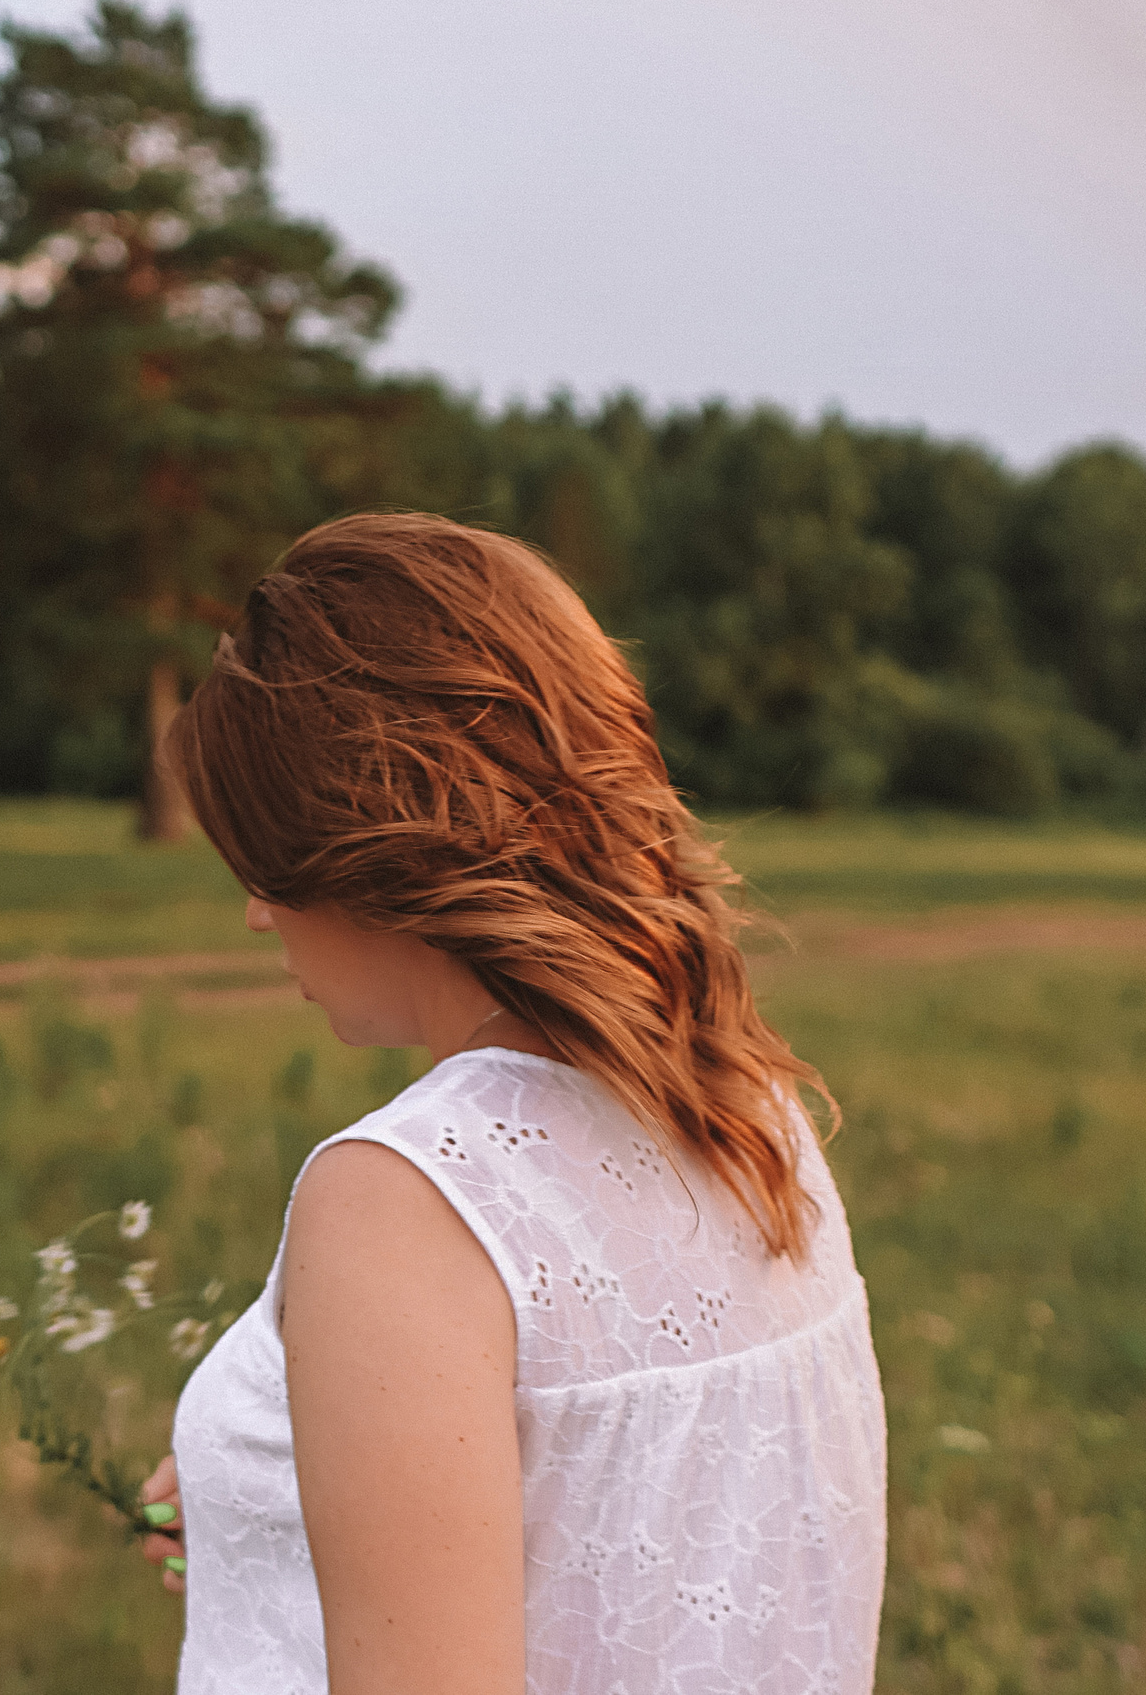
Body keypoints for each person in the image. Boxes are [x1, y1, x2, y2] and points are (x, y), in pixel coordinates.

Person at [133, 513, 887, 1695]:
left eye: (262, 861)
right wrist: (256, 1499)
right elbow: (624, 1509)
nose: (255, 913)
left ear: (361, 853)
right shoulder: (756, 1117)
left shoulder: (408, 1202)